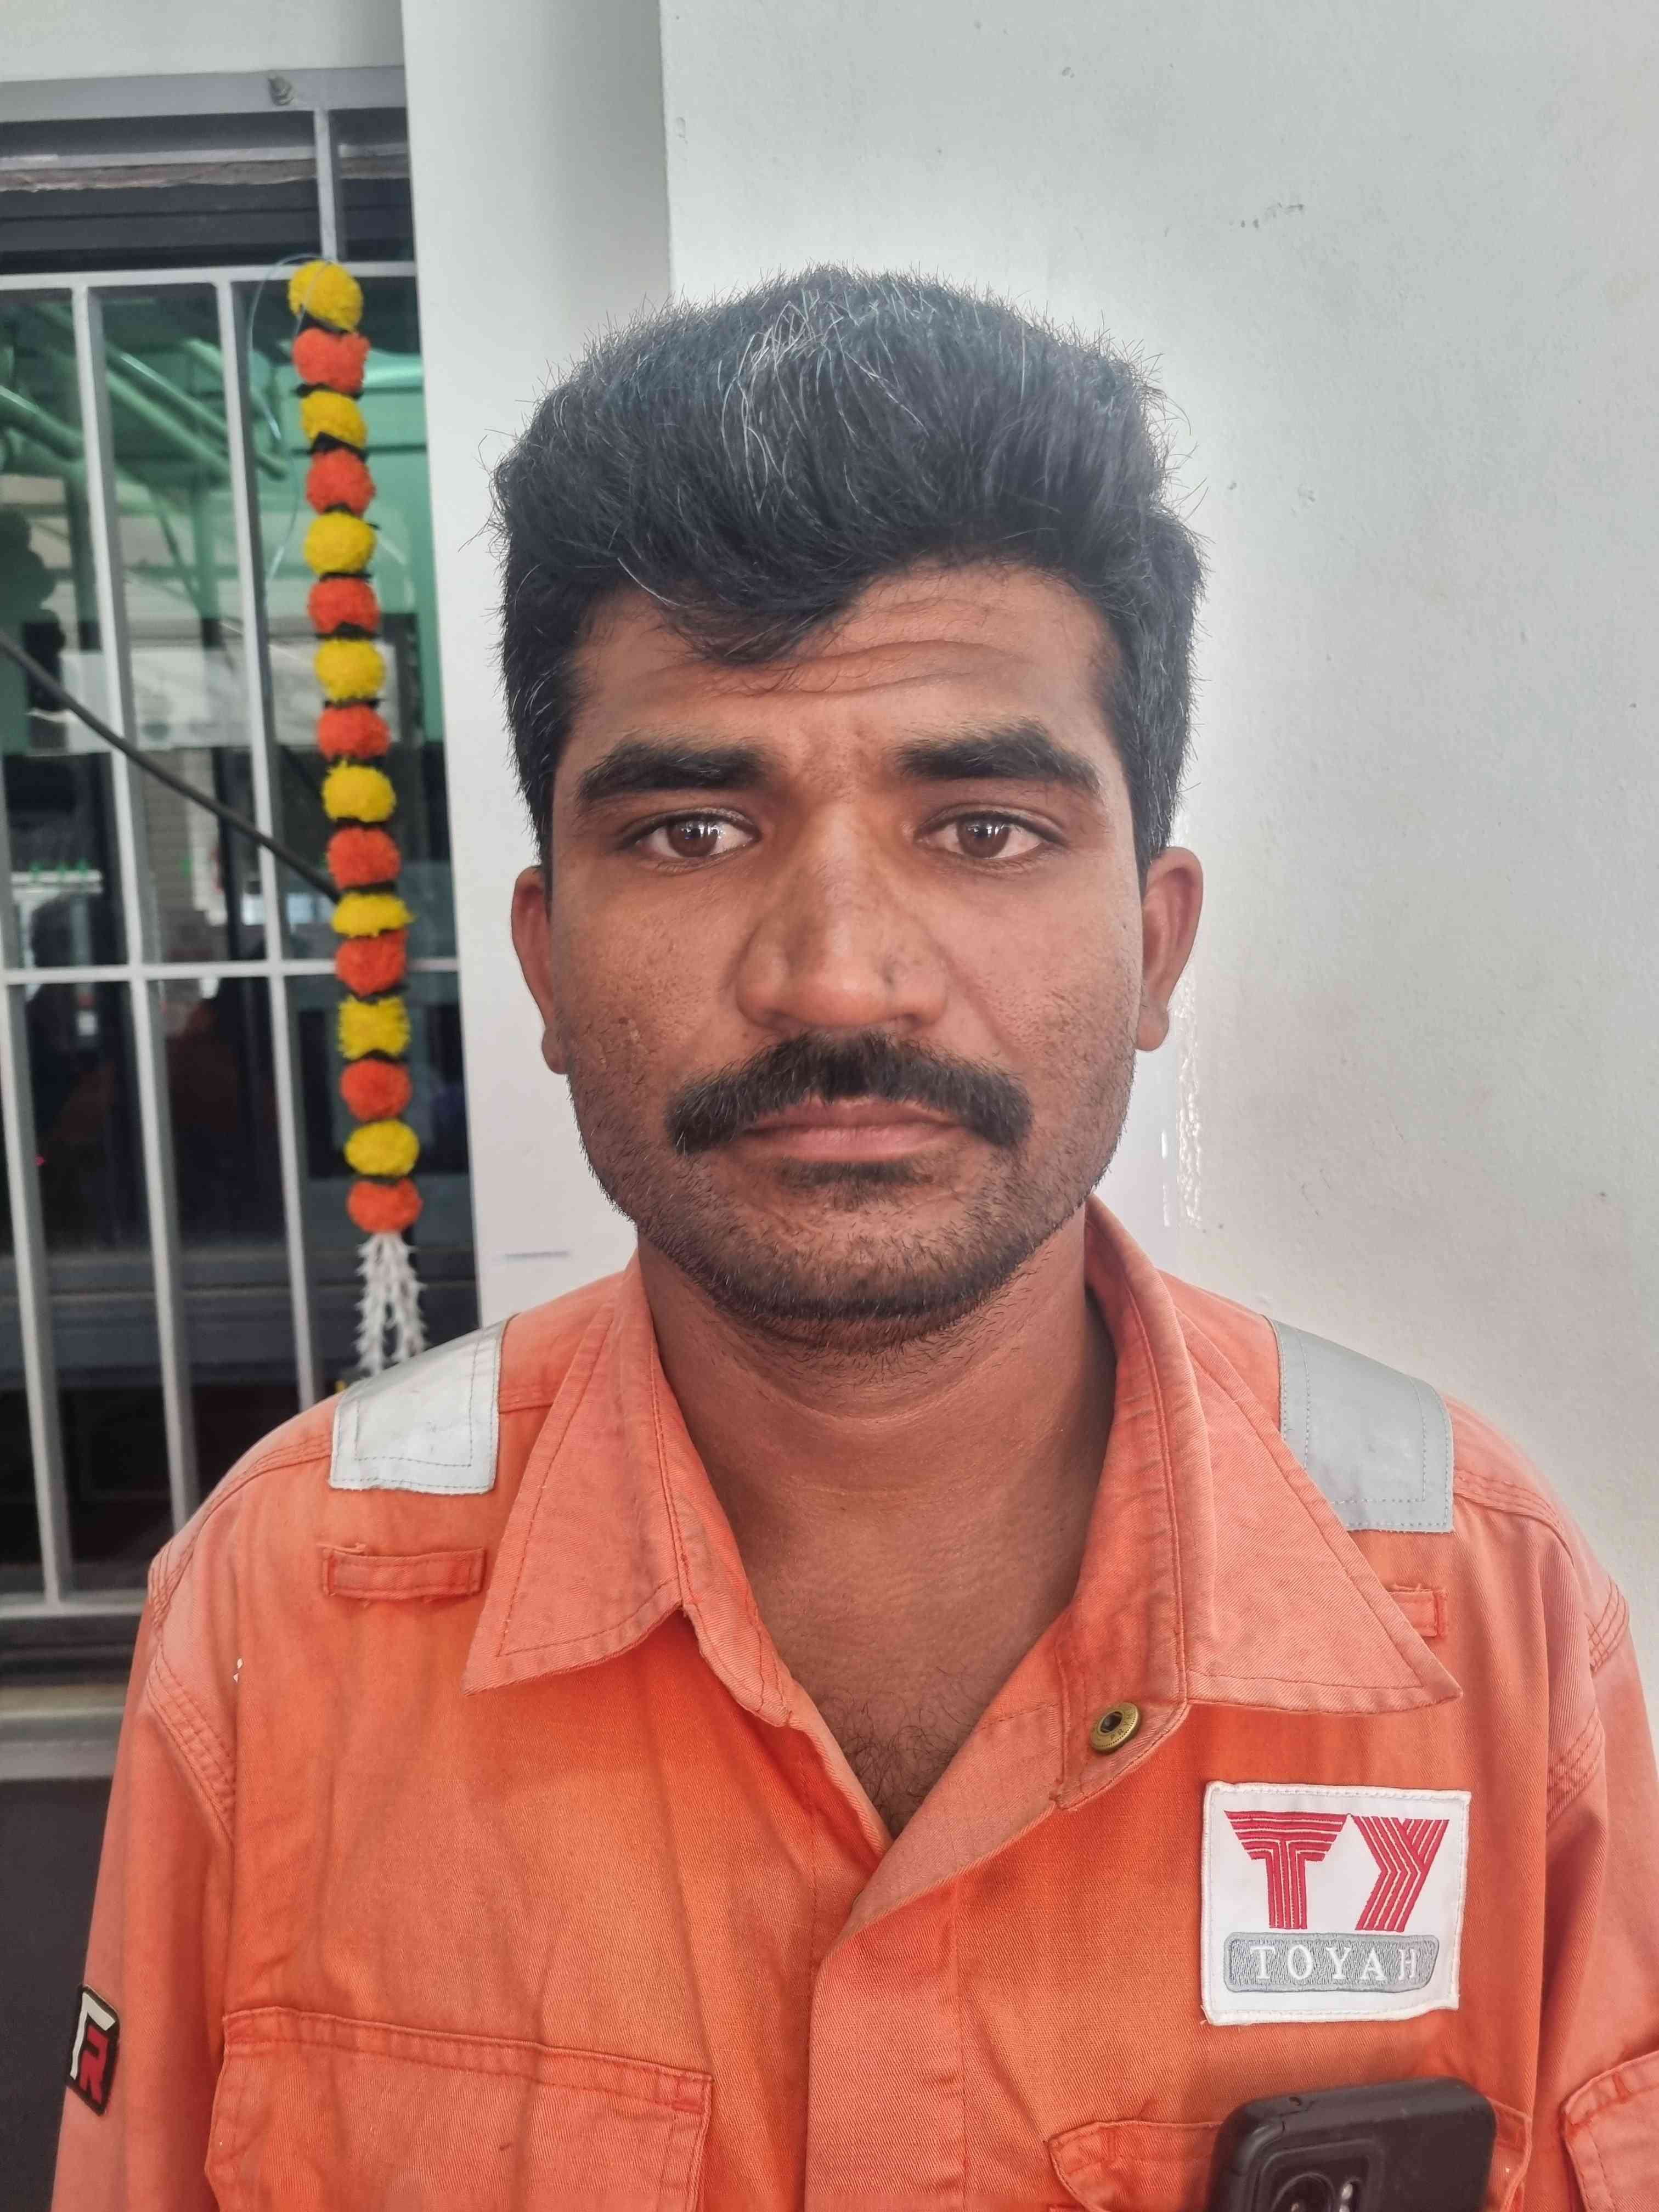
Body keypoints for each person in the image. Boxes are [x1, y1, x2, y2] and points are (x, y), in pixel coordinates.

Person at [55, 270, 1659, 2210]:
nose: (837, 976)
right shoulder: (288, 1615)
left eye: (982, 827)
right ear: (544, 964)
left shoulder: (1477, 1614)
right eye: (691, 831)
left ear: (1154, 945)